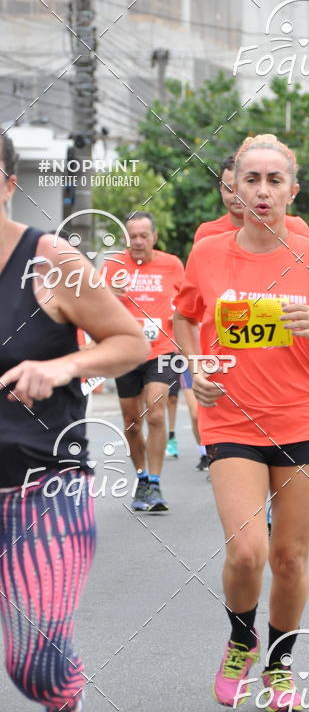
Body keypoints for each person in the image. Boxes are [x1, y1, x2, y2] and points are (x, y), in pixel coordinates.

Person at [174, 133, 309, 712]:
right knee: (247, 552)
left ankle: (279, 664)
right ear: (235, 188)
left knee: (290, 558)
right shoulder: (207, 253)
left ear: (292, 191)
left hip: (302, 418)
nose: (263, 190)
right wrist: (196, 366)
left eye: (275, 180)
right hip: (231, 419)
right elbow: (185, 317)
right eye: (252, 179)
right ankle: (240, 638)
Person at [0, 134, 148, 712]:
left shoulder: (51, 261)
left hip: (45, 484)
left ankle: (63, 704)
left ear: (8, 184)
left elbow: (130, 341)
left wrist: (62, 366)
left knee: (33, 661)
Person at [103, 212, 184, 512]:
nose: (137, 241)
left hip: (162, 350)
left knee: (156, 412)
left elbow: (187, 303)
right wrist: (108, 293)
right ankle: (141, 479)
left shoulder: (172, 264)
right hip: (125, 351)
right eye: (132, 236)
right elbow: (93, 303)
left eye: (143, 236)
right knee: (132, 422)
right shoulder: (114, 265)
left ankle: (155, 482)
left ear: (154, 237)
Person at [194, 152, 309, 243]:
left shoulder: (296, 227)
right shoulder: (207, 234)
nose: (237, 196)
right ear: (221, 188)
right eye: (230, 189)